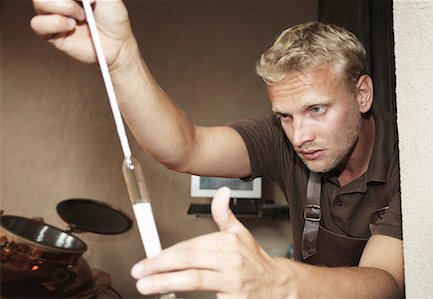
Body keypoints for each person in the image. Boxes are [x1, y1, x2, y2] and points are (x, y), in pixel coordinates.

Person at [30, 0, 404, 297]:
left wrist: (278, 280)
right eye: (285, 116)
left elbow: (386, 282)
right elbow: (186, 149)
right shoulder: (280, 138)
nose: (298, 135)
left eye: (316, 110)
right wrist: (121, 59)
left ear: (362, 94)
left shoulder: (408, 161)